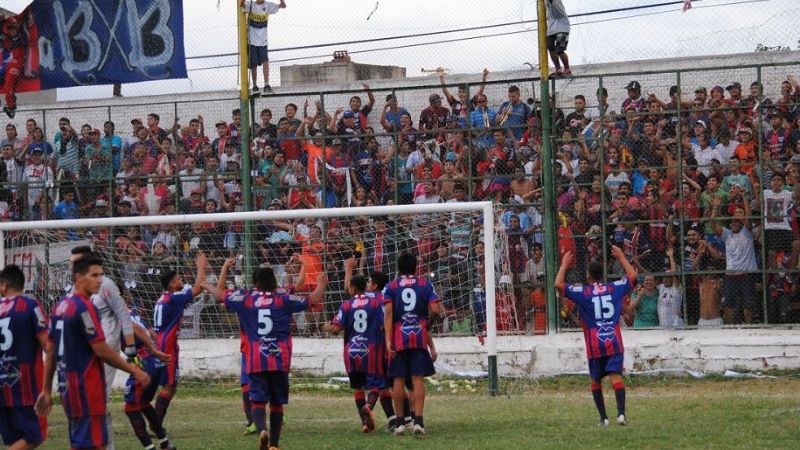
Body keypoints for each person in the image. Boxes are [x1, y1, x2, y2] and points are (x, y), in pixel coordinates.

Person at [205, 257, 326, 450]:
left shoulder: (245, 298)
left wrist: (205, 284)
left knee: (258, 400)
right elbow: (314, 299)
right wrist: (321, 284)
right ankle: (274, 445)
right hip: (279, 358)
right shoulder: (283, 298)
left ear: (256, 283)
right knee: (277, 403)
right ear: (274, 282)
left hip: (255, 357)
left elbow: (220, 296)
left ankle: (261, 429)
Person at [35, 253, 150, 450]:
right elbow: (101, 350)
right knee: (94, 445)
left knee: (86, 444)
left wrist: (47, 389)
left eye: (101, 275)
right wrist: (134, 370)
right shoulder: (84, 307)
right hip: (86, 387)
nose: (100, 281)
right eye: (94, 276)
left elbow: (51, 351)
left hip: (68, 387)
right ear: (79, 277)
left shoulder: (60, 307)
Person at [555, 245, 637, 427]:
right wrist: (622, 257)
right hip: (613, 341)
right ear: (602, 275)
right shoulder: (613, 288)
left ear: (588, 276)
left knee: (595, 380)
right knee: (616, 375)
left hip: (594, 343)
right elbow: (633, 277)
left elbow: (558, 285)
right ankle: (621, 415)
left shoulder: (583, 292)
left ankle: (604, 418)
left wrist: (564, 265)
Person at [70, 246, 137, 450]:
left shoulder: (106, 285)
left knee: (100, 399)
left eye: (74, 261)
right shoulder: (75, 288)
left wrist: (131, 346)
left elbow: (123, 313)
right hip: (84, 352)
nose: (70, 265)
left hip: (105, 348)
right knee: (86, 400)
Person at [382, 252, 442, 437]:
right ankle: (419, 422)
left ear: (398, 268)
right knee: (417, 380)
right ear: (415, 267)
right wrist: (427, 324)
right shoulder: (425, 284)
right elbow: (435, 310)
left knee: (398, 380)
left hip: (399, 339)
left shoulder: (390, 286)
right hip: (417, 337)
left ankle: (400, 424)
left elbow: (389, 313)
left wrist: (388, 340)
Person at [322, 274, 388, 433]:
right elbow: (384, 324)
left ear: (352, 288)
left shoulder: (346, 305)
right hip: (371, 350)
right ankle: (369, 406)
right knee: (377, 383)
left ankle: (365, 423)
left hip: (351, 351)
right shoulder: (374, 303)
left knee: (358, 387)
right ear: (364, 288)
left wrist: (326, 327)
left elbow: (336, 329)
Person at [152, 252, 207, 423]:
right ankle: (155, 425)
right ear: (171, 284)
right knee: (169, 386)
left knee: (169, 386)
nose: (181, 279)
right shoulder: (174, 298)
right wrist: (201, 266)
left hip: (160, 341)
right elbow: (198, 288)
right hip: (167, 344)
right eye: (178, 279)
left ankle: (155, 423)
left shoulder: (162, 299)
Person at [0, 265, 49, 449]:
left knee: (13, 441)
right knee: (35, 435)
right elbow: (47, 344)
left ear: (4, 285)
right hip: (25, 387)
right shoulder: (30, 306)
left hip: (2, 386)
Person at [123, 309, 175, 450]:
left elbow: (135, 327)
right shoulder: (131, 312)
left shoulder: (112, 311)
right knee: (144, 403)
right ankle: (165, 442)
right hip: (154, 362)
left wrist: (152, 351)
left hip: (144, 361)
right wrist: (156, 351)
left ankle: (150, 447)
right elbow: (152, 333)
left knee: (130, 407)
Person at [241, 0, 286, 95]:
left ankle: (266, 84)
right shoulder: (251, 4)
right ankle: (254, 86)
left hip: (263, 40)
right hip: (252, 40)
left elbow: (283, 6)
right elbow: (241, 4)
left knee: (265, 61)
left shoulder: (268, 5)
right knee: (253, 64)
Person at [545, 0, 571, 78]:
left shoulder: (556, 2)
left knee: (559, 50)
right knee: (550, 47)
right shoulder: (546, 5)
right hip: (551, 28)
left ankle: (567, 69)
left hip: (562, 27)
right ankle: (558, 69)